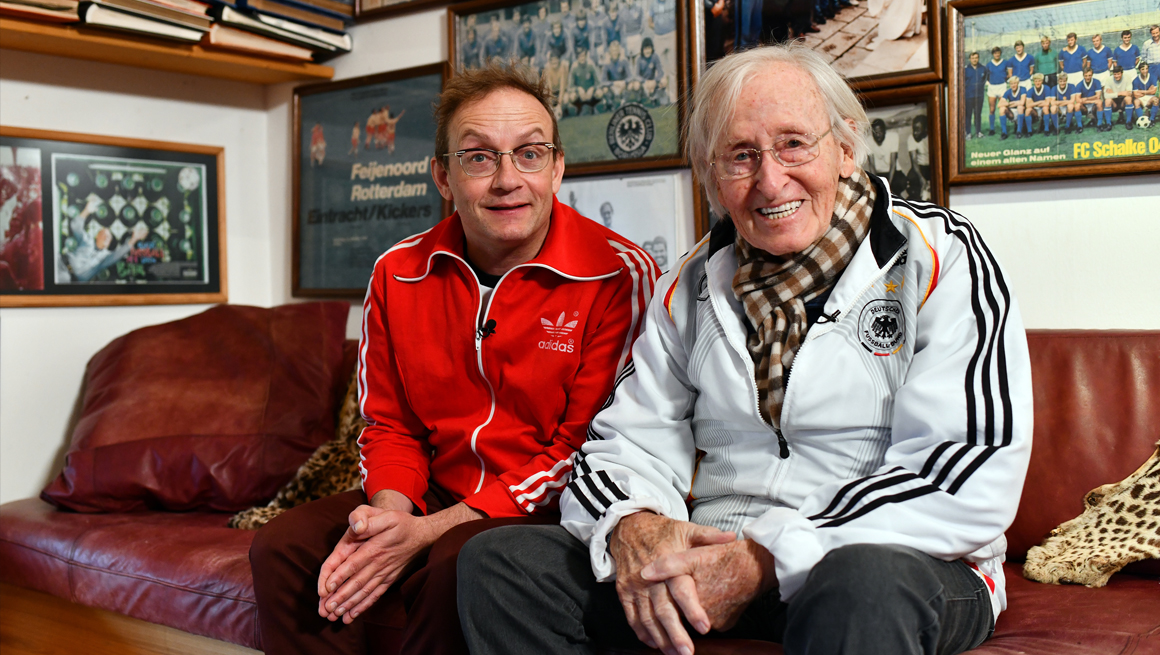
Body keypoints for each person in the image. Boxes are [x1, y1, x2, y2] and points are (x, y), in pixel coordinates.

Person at [458, 43, 1032, 655]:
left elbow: (965, 472)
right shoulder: (689, 283)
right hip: (712, 552)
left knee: (862, 583)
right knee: (501, 563)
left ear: (844, 147)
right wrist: (634, 523)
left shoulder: (941, 257)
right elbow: (623, 443)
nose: (770, 179)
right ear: (711, 176)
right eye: (740, 156)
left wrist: (766, 557)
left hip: (889, 559)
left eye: (793, 143)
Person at [248, 64, 659, 655]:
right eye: (479, 158)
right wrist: (389, 518)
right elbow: (390, 424)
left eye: (530, 155)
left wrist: (429, 532)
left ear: (559, 167)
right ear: (442, 175)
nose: (507, 180)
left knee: (457, 564)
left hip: (547, 507)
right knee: (283, 548)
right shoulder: (398, 271)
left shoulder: (619, 274)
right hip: (433, 490)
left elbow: (586, 451)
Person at [61, 196, 149, 282]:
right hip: (60, 263)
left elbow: (117, 255)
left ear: (109, 243)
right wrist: (86, 211)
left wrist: (134, 239)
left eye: (109, 237)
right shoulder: (87, 241)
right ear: (97, 236)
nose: (106, 237)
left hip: (69, 280)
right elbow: (76, 227)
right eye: (103, 234)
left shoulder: (105, 257)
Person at [865, 118, 898, 187]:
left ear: (884, 131)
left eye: (880, 132)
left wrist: (889, 184)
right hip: (878, 173)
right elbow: (871, 164)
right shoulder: (868, 141)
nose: (877, 135)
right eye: (875, 133)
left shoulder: (893, 137)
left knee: (901, 182)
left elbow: (893, 163)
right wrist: (876, 182)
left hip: (892, 172)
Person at [985, 47, 1008, 136]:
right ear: (993, 54)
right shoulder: (989, 64)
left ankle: (1004, 130)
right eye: (995, 53)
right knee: (992, 109)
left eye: (998, 53)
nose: (997, 55)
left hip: (1002, 86)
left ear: (1000, 53)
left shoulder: (1005, 62)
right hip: (992, 87)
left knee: (1002, 108)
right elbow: (986, 76)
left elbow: (1008, 73)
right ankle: (992, 129)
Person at [963, 51, 987, 140]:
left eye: (976, 58)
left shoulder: (983, 68)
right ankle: (968, 133)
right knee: (968, 115)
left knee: (978, 114)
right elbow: (962, 82)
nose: (974, 60)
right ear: (970, 59)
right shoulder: (965, 70)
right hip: (968, 96)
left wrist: (980, 87)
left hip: (979, 96)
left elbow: (984, 79)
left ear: (978, 58)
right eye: (973, 58)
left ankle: (978, 132)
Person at [1075, 67, 1106, 132]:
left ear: (1092, 75)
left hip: (1092, 104)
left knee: (1099, 102)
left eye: (1089, 75)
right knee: (1077, 105)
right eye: (1086, 76)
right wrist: (1092, 99)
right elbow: (1078, 100)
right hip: (1085, 106)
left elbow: (1098, 96)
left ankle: (1099, 124)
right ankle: (1079, 126)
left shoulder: (1097, 82)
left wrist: (1086, 99)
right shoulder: (1079, 84)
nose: (1088, 77)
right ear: (1083, 75)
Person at [997, 74, 1028, 139]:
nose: (1013, 85)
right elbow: (999, 104)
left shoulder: (1023, 89)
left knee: (1020, 107)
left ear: (1018, 83)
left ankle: (1019, 132)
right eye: (1011, 84)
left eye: (1015, 83)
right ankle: (1004, 133)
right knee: (1002, 109)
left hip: (1022, 112)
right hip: (1012, 113)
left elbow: (1022, 102)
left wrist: (1011, 103)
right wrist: (1008, 104)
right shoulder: (1008, 92)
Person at [1133, 60, 1159, 125]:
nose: (1145, 71)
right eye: (1143, 69)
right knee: (1136, 101)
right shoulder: (1136, 80)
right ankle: (1141, 119)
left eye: (1146, 69)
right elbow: (1136, 95)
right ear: (1139, 70)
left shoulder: (1153, 77)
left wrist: (1141, 91)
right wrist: (1148, 91)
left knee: (1156, 100)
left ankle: (1152, 119)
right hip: (1141, 98)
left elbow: (1153, 91)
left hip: (1149, 98)